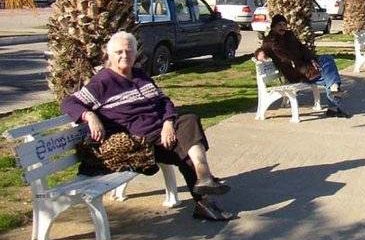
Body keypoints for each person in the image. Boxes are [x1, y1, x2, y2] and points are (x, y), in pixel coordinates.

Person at [61, 31, 234, 221]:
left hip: (161, 134)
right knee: (186, 148)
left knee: (189, 122)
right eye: (119, 52)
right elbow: (69, 103)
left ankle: (204, 182)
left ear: (135, 54)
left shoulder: (140, 76)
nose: (125, 55)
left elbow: (164, 101)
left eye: (129, 51)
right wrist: (90, 116)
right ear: (109, 55)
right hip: (140, 143)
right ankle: (204, 190)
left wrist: (168, 122)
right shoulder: (102, 82)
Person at [260, 14, 349, 118]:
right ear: (273, 26)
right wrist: (259, 54)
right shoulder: (269, 41)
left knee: (328, 64)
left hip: (305, 66)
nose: (282, 27)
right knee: (330, 76)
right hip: (295, 72)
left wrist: (311, 59)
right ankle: (333, 104)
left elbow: (302, 48)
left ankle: (333, 98)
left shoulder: (289, 35)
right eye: (279, 25)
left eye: (284, 24)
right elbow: (262, 50)